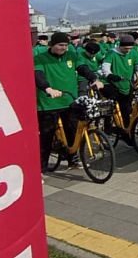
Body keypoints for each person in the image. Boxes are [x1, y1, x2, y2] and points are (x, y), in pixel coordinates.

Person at [35, 32, 103, 172]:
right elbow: (38, 76)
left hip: (69, 100)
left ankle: (73, 160)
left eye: (66, 45)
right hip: (49, 103)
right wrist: (48, 89)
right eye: (60, 45)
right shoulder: (40, 58)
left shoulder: (72, 55)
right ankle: (41, 168)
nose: (63, 48)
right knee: (47, 136)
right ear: (52, 44)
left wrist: (94, 79)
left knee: (72, 131)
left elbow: (83, 68)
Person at [100, 34, 138, 136]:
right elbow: (105, 67)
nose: (128, 50)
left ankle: (126, 129)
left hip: (126, 82)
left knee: (126, 108)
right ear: (120, 46)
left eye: (130, 48)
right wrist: (109, 75)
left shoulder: (133, 53)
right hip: (112, 82)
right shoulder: (112, 53)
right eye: (126, 48)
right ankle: (107, 125)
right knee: (112, 103)